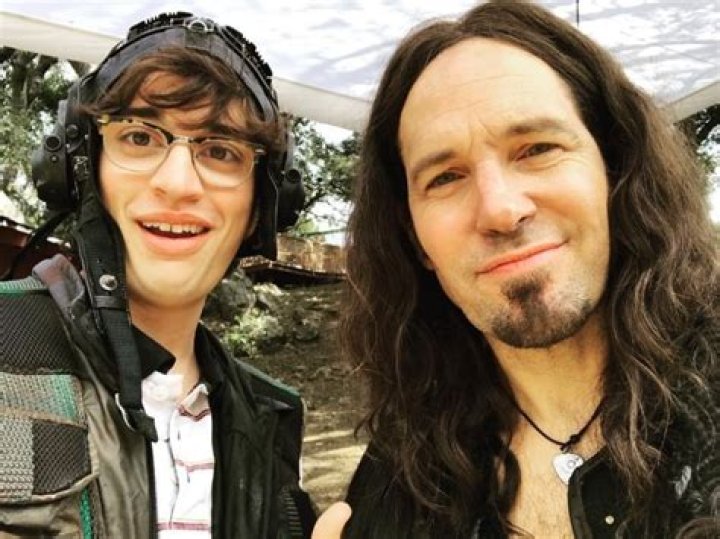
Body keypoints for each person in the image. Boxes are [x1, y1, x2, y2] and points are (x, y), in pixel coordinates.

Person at [312, 1, 718, 538]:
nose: (500, 210)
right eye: (444, 177)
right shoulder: (398, 489)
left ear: (615, 167)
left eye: (537, 149)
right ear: (415, 240)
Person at [0, 12, 316, 538]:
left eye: (220, 151)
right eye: (140, 137)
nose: (178, 183)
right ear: (82, 170)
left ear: (264, 204)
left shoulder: (272, 416)